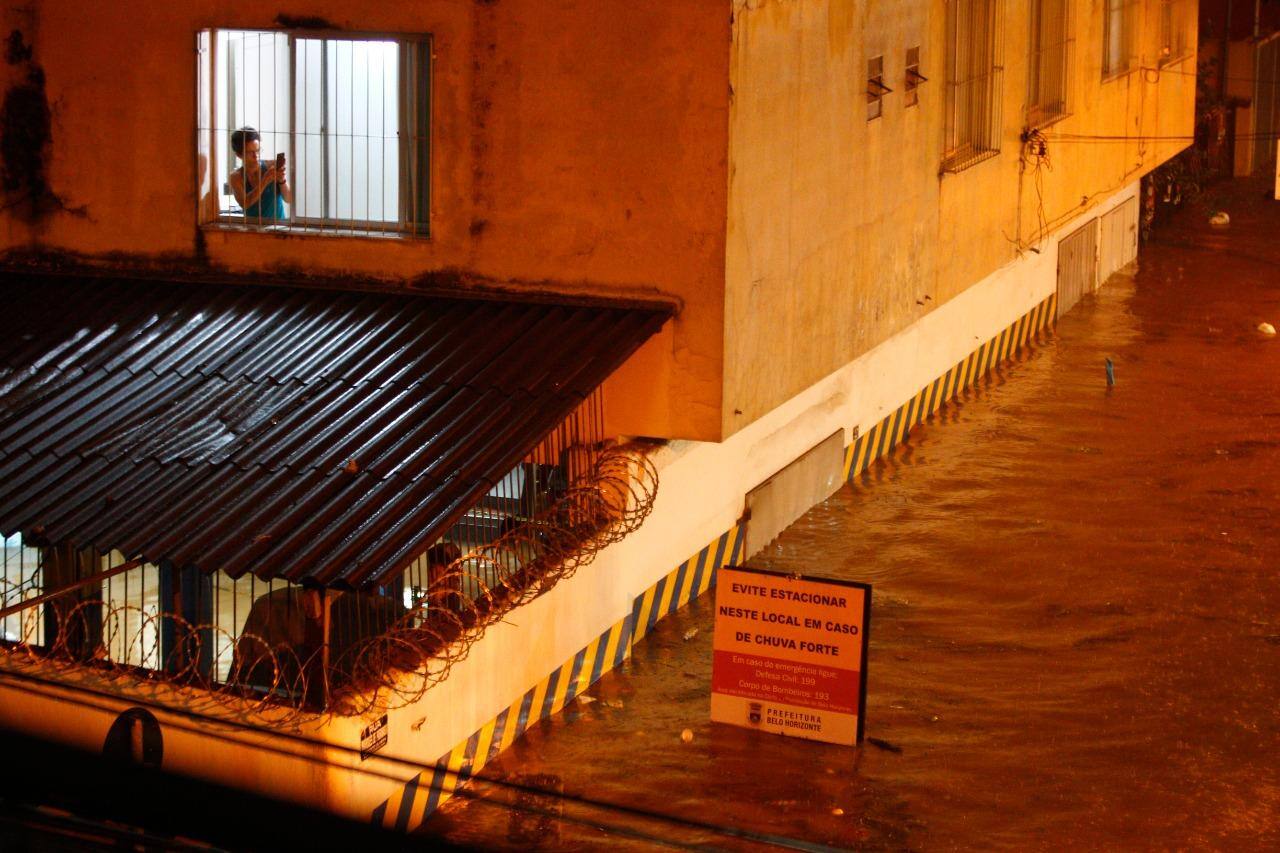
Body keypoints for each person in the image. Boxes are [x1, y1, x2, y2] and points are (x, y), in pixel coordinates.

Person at [228, 127, 291, 223]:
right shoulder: (236, 177)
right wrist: (265, 180)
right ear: (239, 155)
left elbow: (289, 199)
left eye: (258, 150)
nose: (256, 155)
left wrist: (282, 180)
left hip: (278, 228)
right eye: (250, 152)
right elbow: (245, 203)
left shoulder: (272, 165)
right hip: (253, 230)